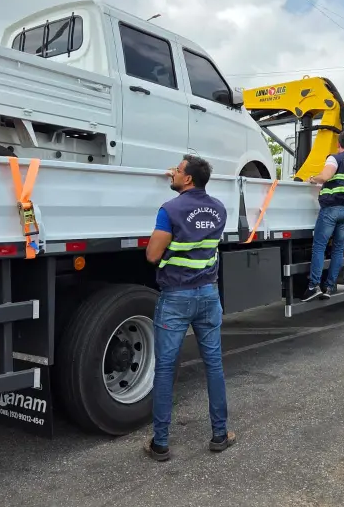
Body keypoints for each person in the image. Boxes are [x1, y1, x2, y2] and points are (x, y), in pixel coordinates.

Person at [144, 154, 236, 462]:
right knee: (214, 366)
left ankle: (160, 444)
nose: (172, 172)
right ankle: (220, 435)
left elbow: (153, 256)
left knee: (166, 369)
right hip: (209, 295)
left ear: (188, 179)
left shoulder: (169, 210)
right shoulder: (220, 209)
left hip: (176, 298)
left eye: (177, 170)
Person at [303, 130, 344, 302]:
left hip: (332, 208)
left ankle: (313, 286)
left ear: (339, 144)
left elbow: (325, 176)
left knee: (319, 246)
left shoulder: (335, 158)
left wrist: (311, 179)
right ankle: (329, 287)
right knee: (338, 249)